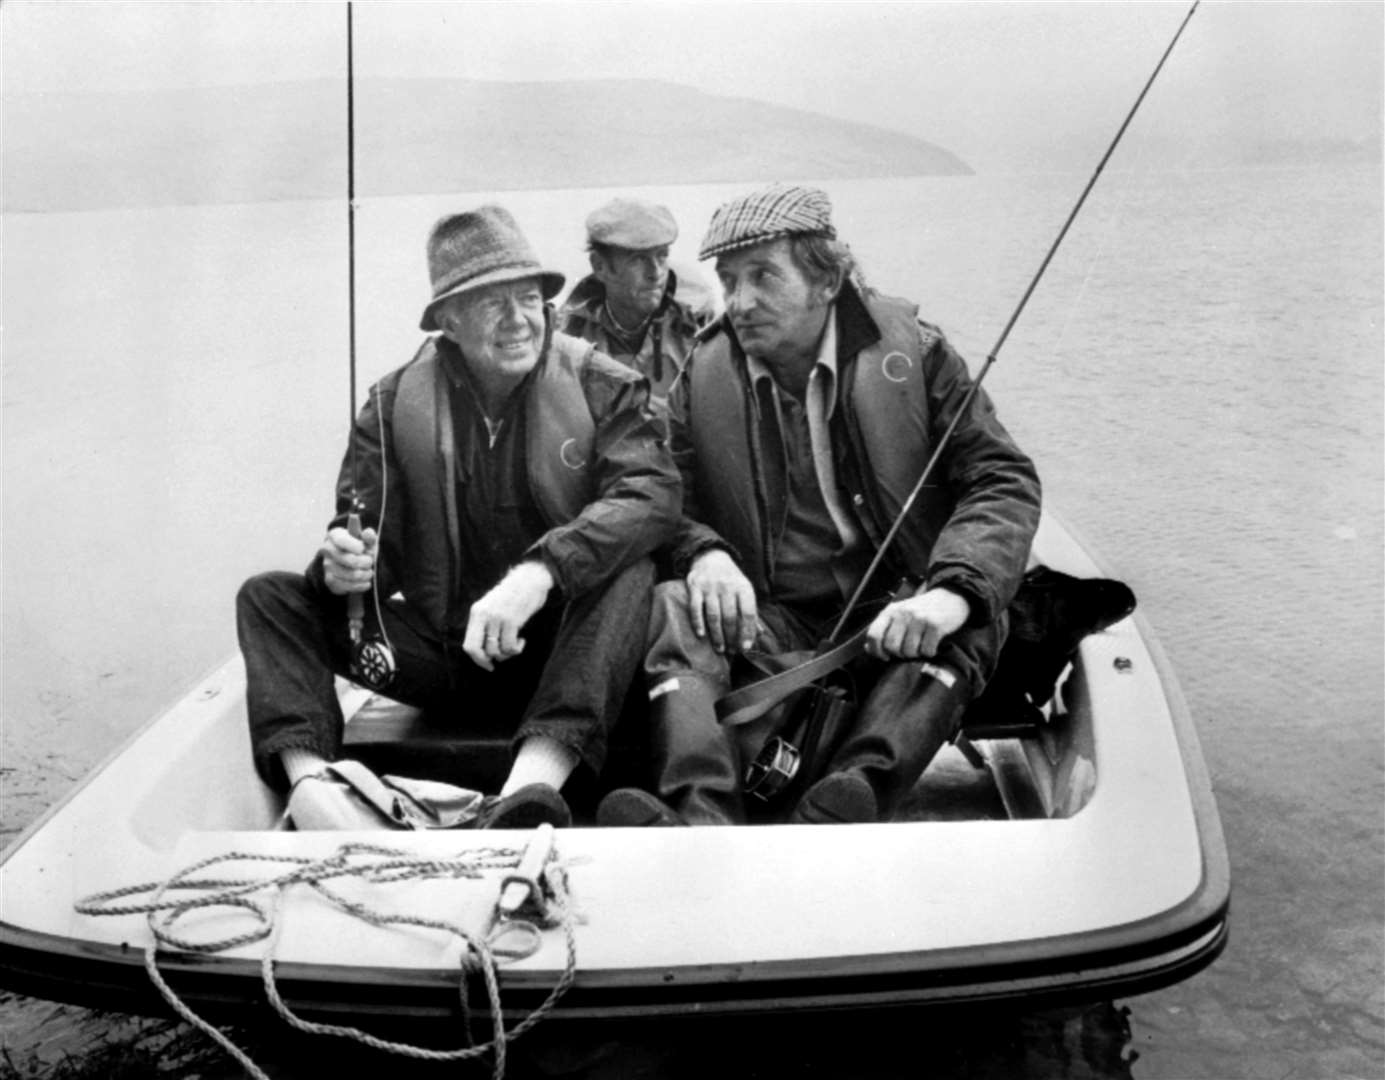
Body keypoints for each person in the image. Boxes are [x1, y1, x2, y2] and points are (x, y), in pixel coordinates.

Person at [597, 184, 1042, 827]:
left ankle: (850, 799)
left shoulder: (918, 353)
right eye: (728, 280)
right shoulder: (704, 373)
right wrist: (706, 553)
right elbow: (668, 492)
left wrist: (950, 593)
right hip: (775, 617)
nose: (740, 302)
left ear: (827, 279)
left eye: (763, 277)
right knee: (674, 605)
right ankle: (700, 816)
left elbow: (1003, 478)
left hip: (901, 609)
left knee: (976, 609)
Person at [237, 205, 681, 830]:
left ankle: (530, 786)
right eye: (492, 303)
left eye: (529, 299)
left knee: (630, 570)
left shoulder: (604, 384)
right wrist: (340, 566)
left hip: (574, 660)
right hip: (449, 661)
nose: (518, 320)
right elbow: (363, 535)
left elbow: (653, 494)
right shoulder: (392, 405)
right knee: (270, 599)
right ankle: (316, 789)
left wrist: (540, 572)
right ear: (448, 318)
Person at [558, 197, 716, 406]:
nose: (656, 273)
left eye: (662, 256)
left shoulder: (697, 324)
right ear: (600, 266)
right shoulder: (569, 334)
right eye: (638, 259)